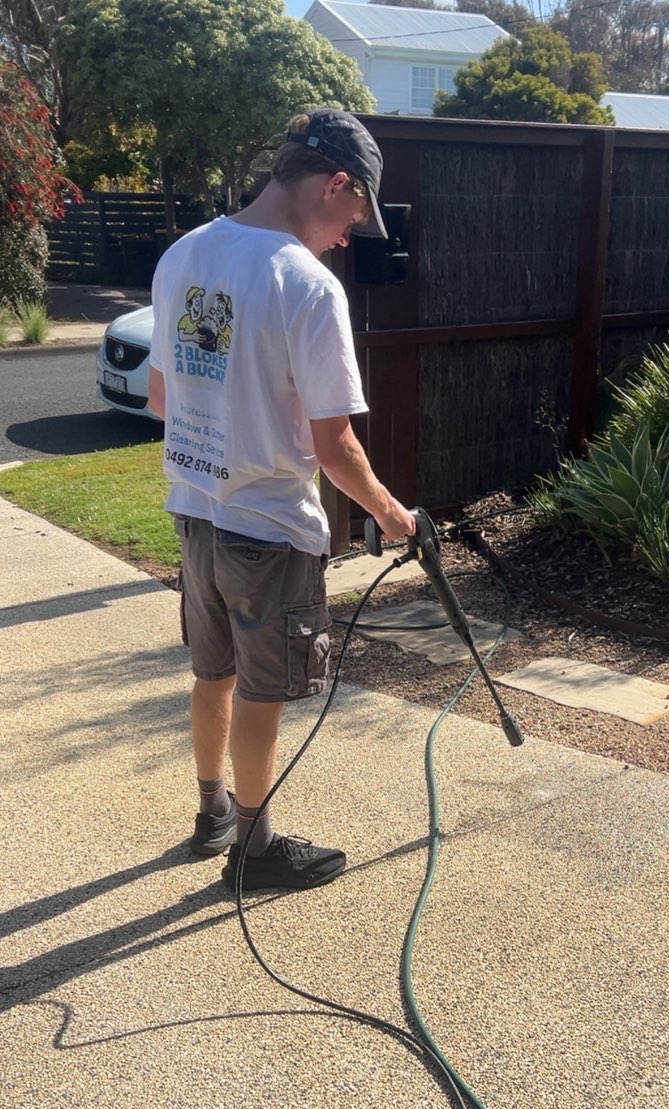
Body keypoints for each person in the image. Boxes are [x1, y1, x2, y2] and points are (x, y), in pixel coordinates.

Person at [147, 107, 415, 894]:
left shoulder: (184, 254)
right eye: (353, 216)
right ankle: (256, 848)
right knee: (263, 692)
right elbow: (336, 448)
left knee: (212, 673)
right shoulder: (306, 285)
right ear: (335, 184)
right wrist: (392, 514)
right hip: (267, 529)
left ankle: (212, 812)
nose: (347, 237)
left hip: (196, 514)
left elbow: (162, 398)